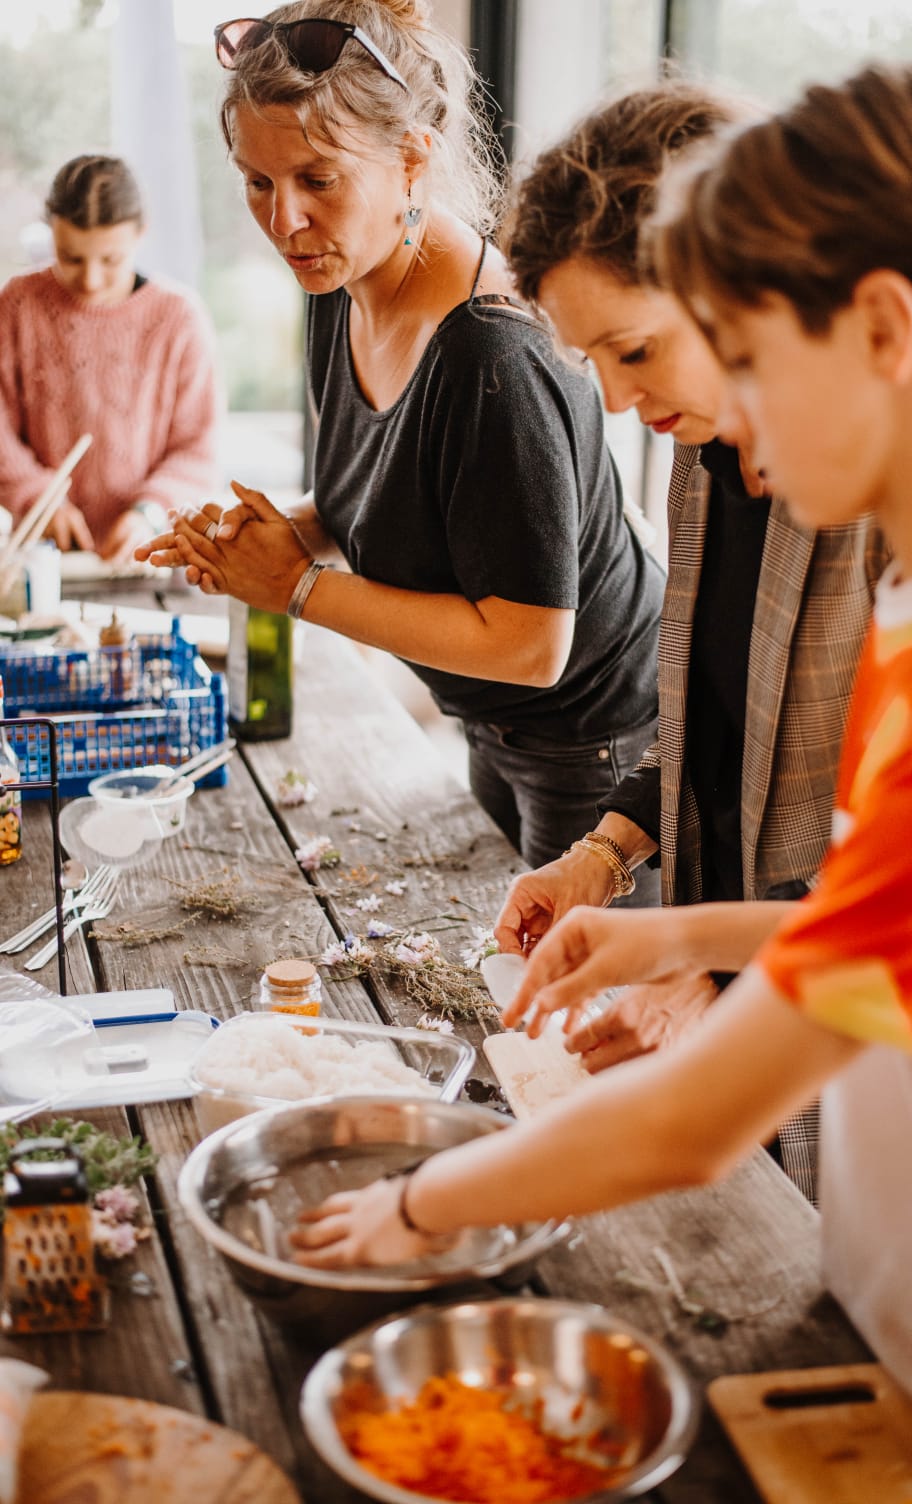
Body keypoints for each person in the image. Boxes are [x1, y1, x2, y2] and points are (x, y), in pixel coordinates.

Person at [287, 61, 912, 1461]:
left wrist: (424, 1203)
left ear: (879, 327)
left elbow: (697, 1122)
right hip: (904, 1324)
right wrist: (661, 927)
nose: (723, 412)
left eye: (741, 352)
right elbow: (903, 936)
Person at [137, 0, 665, 879]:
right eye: (257, 182)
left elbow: (531, 645)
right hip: (488, 719)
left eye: (319, 178)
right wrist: (278, 535)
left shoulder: (492, 353)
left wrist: (297, 587)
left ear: (413, 158)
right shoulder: (338, 284)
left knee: (561, 1006)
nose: (284, 221)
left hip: (595, 740)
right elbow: (398, 496)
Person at [493, 83, 886, 1196]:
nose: (618, 401)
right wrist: (605, 853)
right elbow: (707, 719)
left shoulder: (899, 496)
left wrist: (726, 978)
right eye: (595, 365)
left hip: (859, 1044)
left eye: (634, 350)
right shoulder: (700, 450)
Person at [0, 155, 219, 565]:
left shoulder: (179, 318)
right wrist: (36, 496)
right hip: (42, 559)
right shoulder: (17, 305)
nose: (91, 279)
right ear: (51, 236)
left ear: (141, 233)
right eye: (71, 257)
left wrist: (151, 512)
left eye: (110, 260)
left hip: (151, 556)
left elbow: (197, 448)